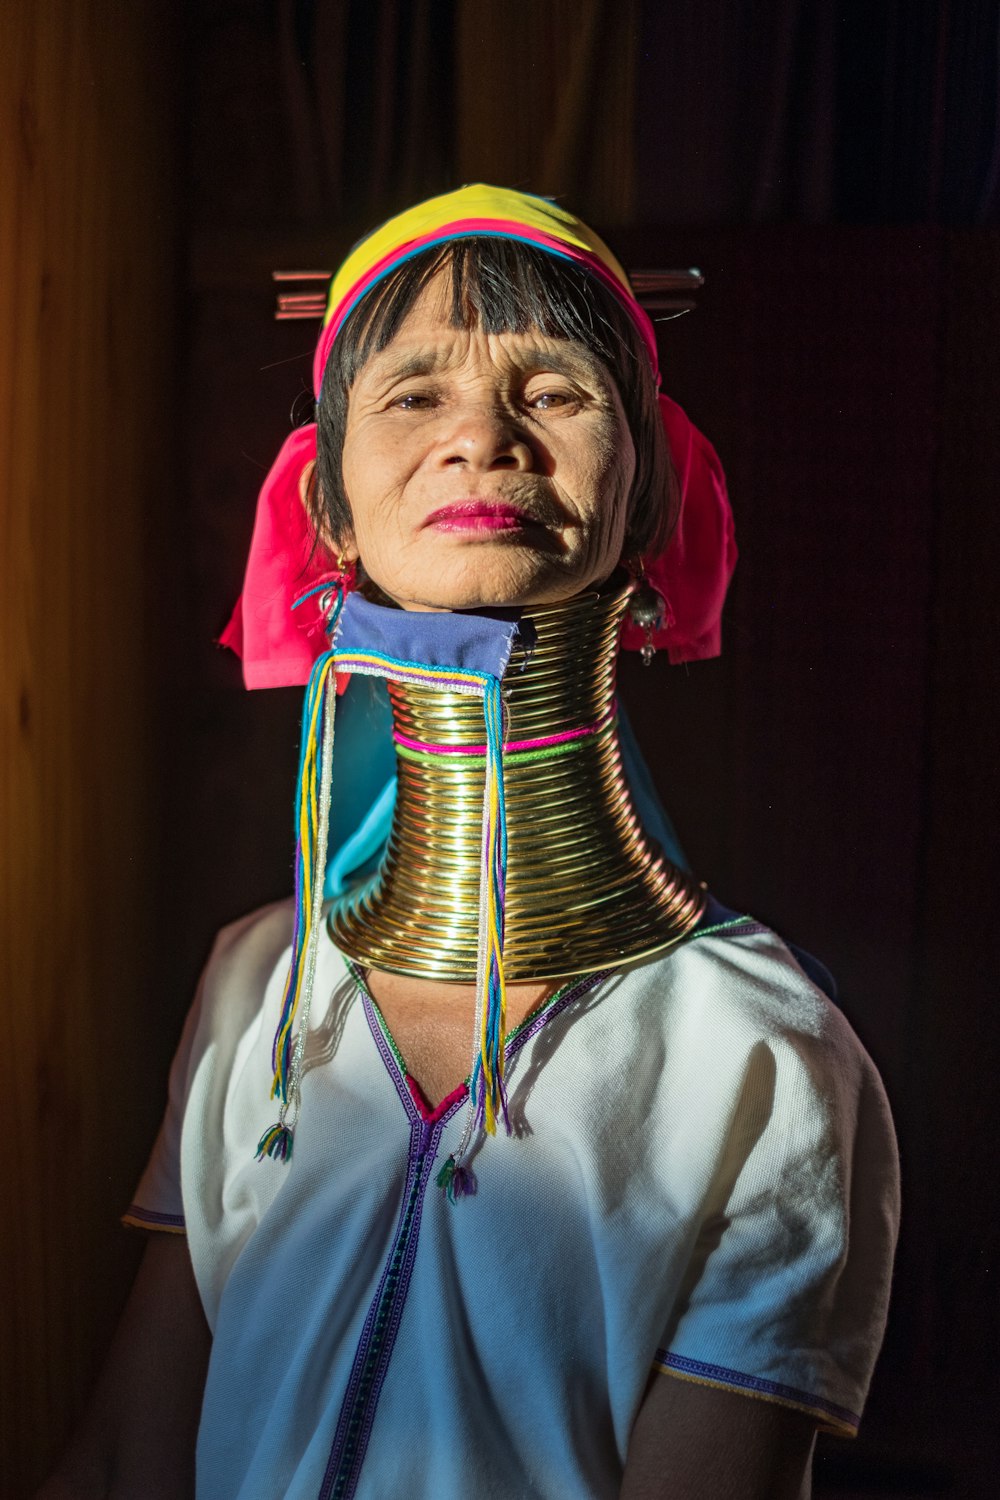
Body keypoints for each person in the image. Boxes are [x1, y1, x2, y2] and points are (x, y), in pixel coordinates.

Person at [38, 186, 899, 1500]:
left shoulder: (763, 1060)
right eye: (414, 395)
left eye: (552, 393)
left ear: (656, 494)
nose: (481, 439)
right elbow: (122, 1462)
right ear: (324, 507)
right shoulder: (256, 995)